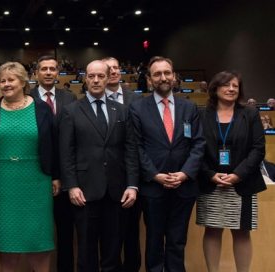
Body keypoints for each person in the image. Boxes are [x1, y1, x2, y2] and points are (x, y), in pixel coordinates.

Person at [0, 61, 58, 272]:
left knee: (38, 241)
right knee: (7, 243)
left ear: (22, 82)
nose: (6, 84)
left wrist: (56, 176)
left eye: (11, 80)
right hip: (1, 184)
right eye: (2, 80)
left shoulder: (42, 109)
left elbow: (53, 144)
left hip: (36, 181)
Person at [59, 60, 139, 272]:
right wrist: (72, 185)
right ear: (85, 79)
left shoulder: (122, 110)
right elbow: (66, 153)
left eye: (100, 76)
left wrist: (132, 185)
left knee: (113, 251)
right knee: (86, 252)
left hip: (117, 191)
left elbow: (130, 150)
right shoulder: (71, 111)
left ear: (108, 77)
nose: (96, 80)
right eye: (91, 76)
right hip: (84, 191)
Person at [129, 56, 205, 272]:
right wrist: (154, 175)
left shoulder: (189, 108)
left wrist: (185, 174)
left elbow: (198, 144)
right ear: (149, 79)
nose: (163, 77)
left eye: (167, 73)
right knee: (154, 239)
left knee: (177, 239)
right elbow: (137, 147)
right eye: (157, 74)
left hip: (184, 186)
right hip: (153, 186)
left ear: (174, 76)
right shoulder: (137, 108)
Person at [197, 71, 266, 272]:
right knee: (212, 229)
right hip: (211, 182)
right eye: (226, 85)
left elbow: (258, 148)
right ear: (215, 88)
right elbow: (195, 148)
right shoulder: (202, 114)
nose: (231, 89)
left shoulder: (250, 113)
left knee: (242, 231)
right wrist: (209, 174)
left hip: (242, 183)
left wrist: (238, 174)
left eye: (235, 86)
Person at [30, 55, 76, 272]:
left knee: (65, 232)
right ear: (36, 73)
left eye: (53, 69)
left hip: (66, 176)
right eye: (44, 69)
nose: (48, 72)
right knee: (35, 231)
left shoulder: (70, 98)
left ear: (58, 73)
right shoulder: (26, 98)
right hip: (35, 175)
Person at [102, 56, 142, 272]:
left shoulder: (136, 99)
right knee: (109, 234)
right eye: (109, 68)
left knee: (132, 232)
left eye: (117, 67)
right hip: (104, 180)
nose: (114, 71)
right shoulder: (88, 100)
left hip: (133, 175)